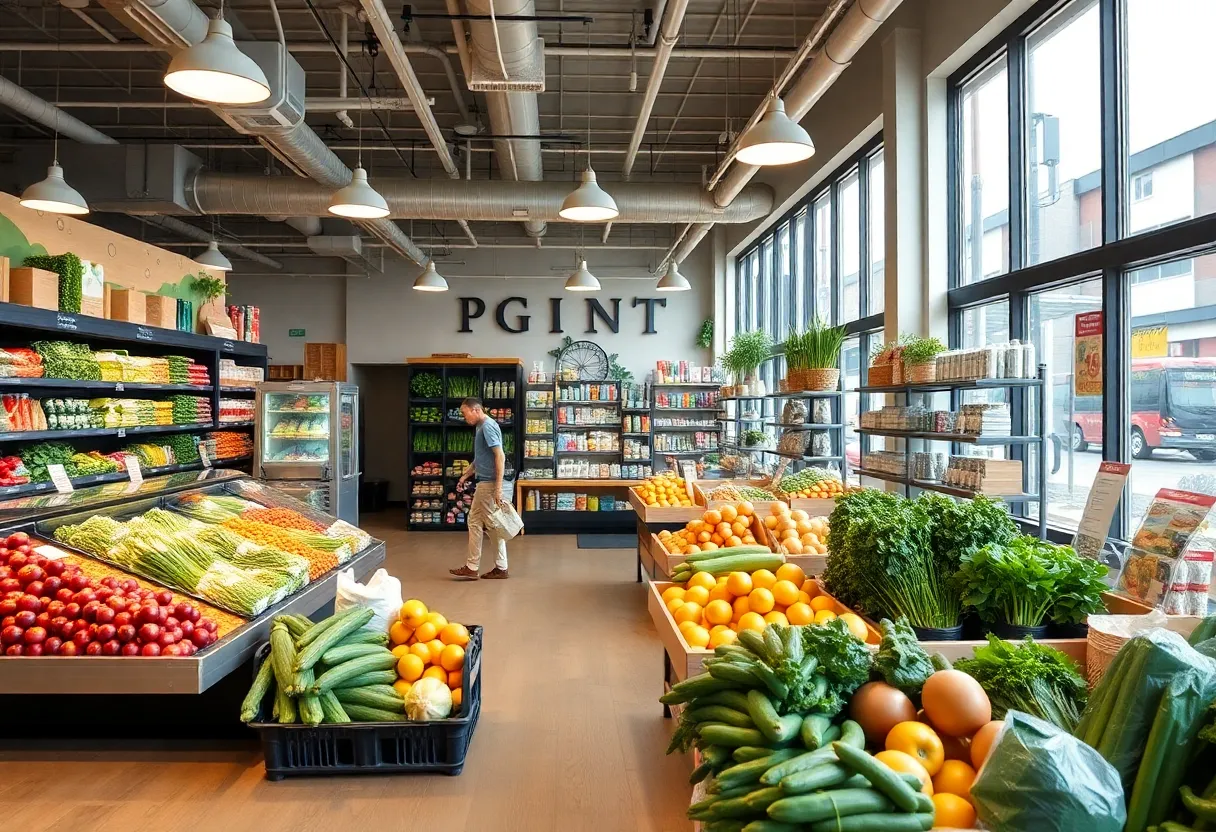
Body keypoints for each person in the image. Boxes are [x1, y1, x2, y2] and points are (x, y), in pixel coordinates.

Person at [449, 397, 511, 580]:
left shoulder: (488, 426)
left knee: (482, 523)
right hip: (485, 482)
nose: (463, 416)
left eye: (464, 412)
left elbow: (500, 456)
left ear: (475, 410)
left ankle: (475, 566)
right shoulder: (481, 427)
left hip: (488, 484)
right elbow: (481, 458)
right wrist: (465, 475)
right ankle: (496, 567)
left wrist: (498, 488)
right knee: (488, 525)